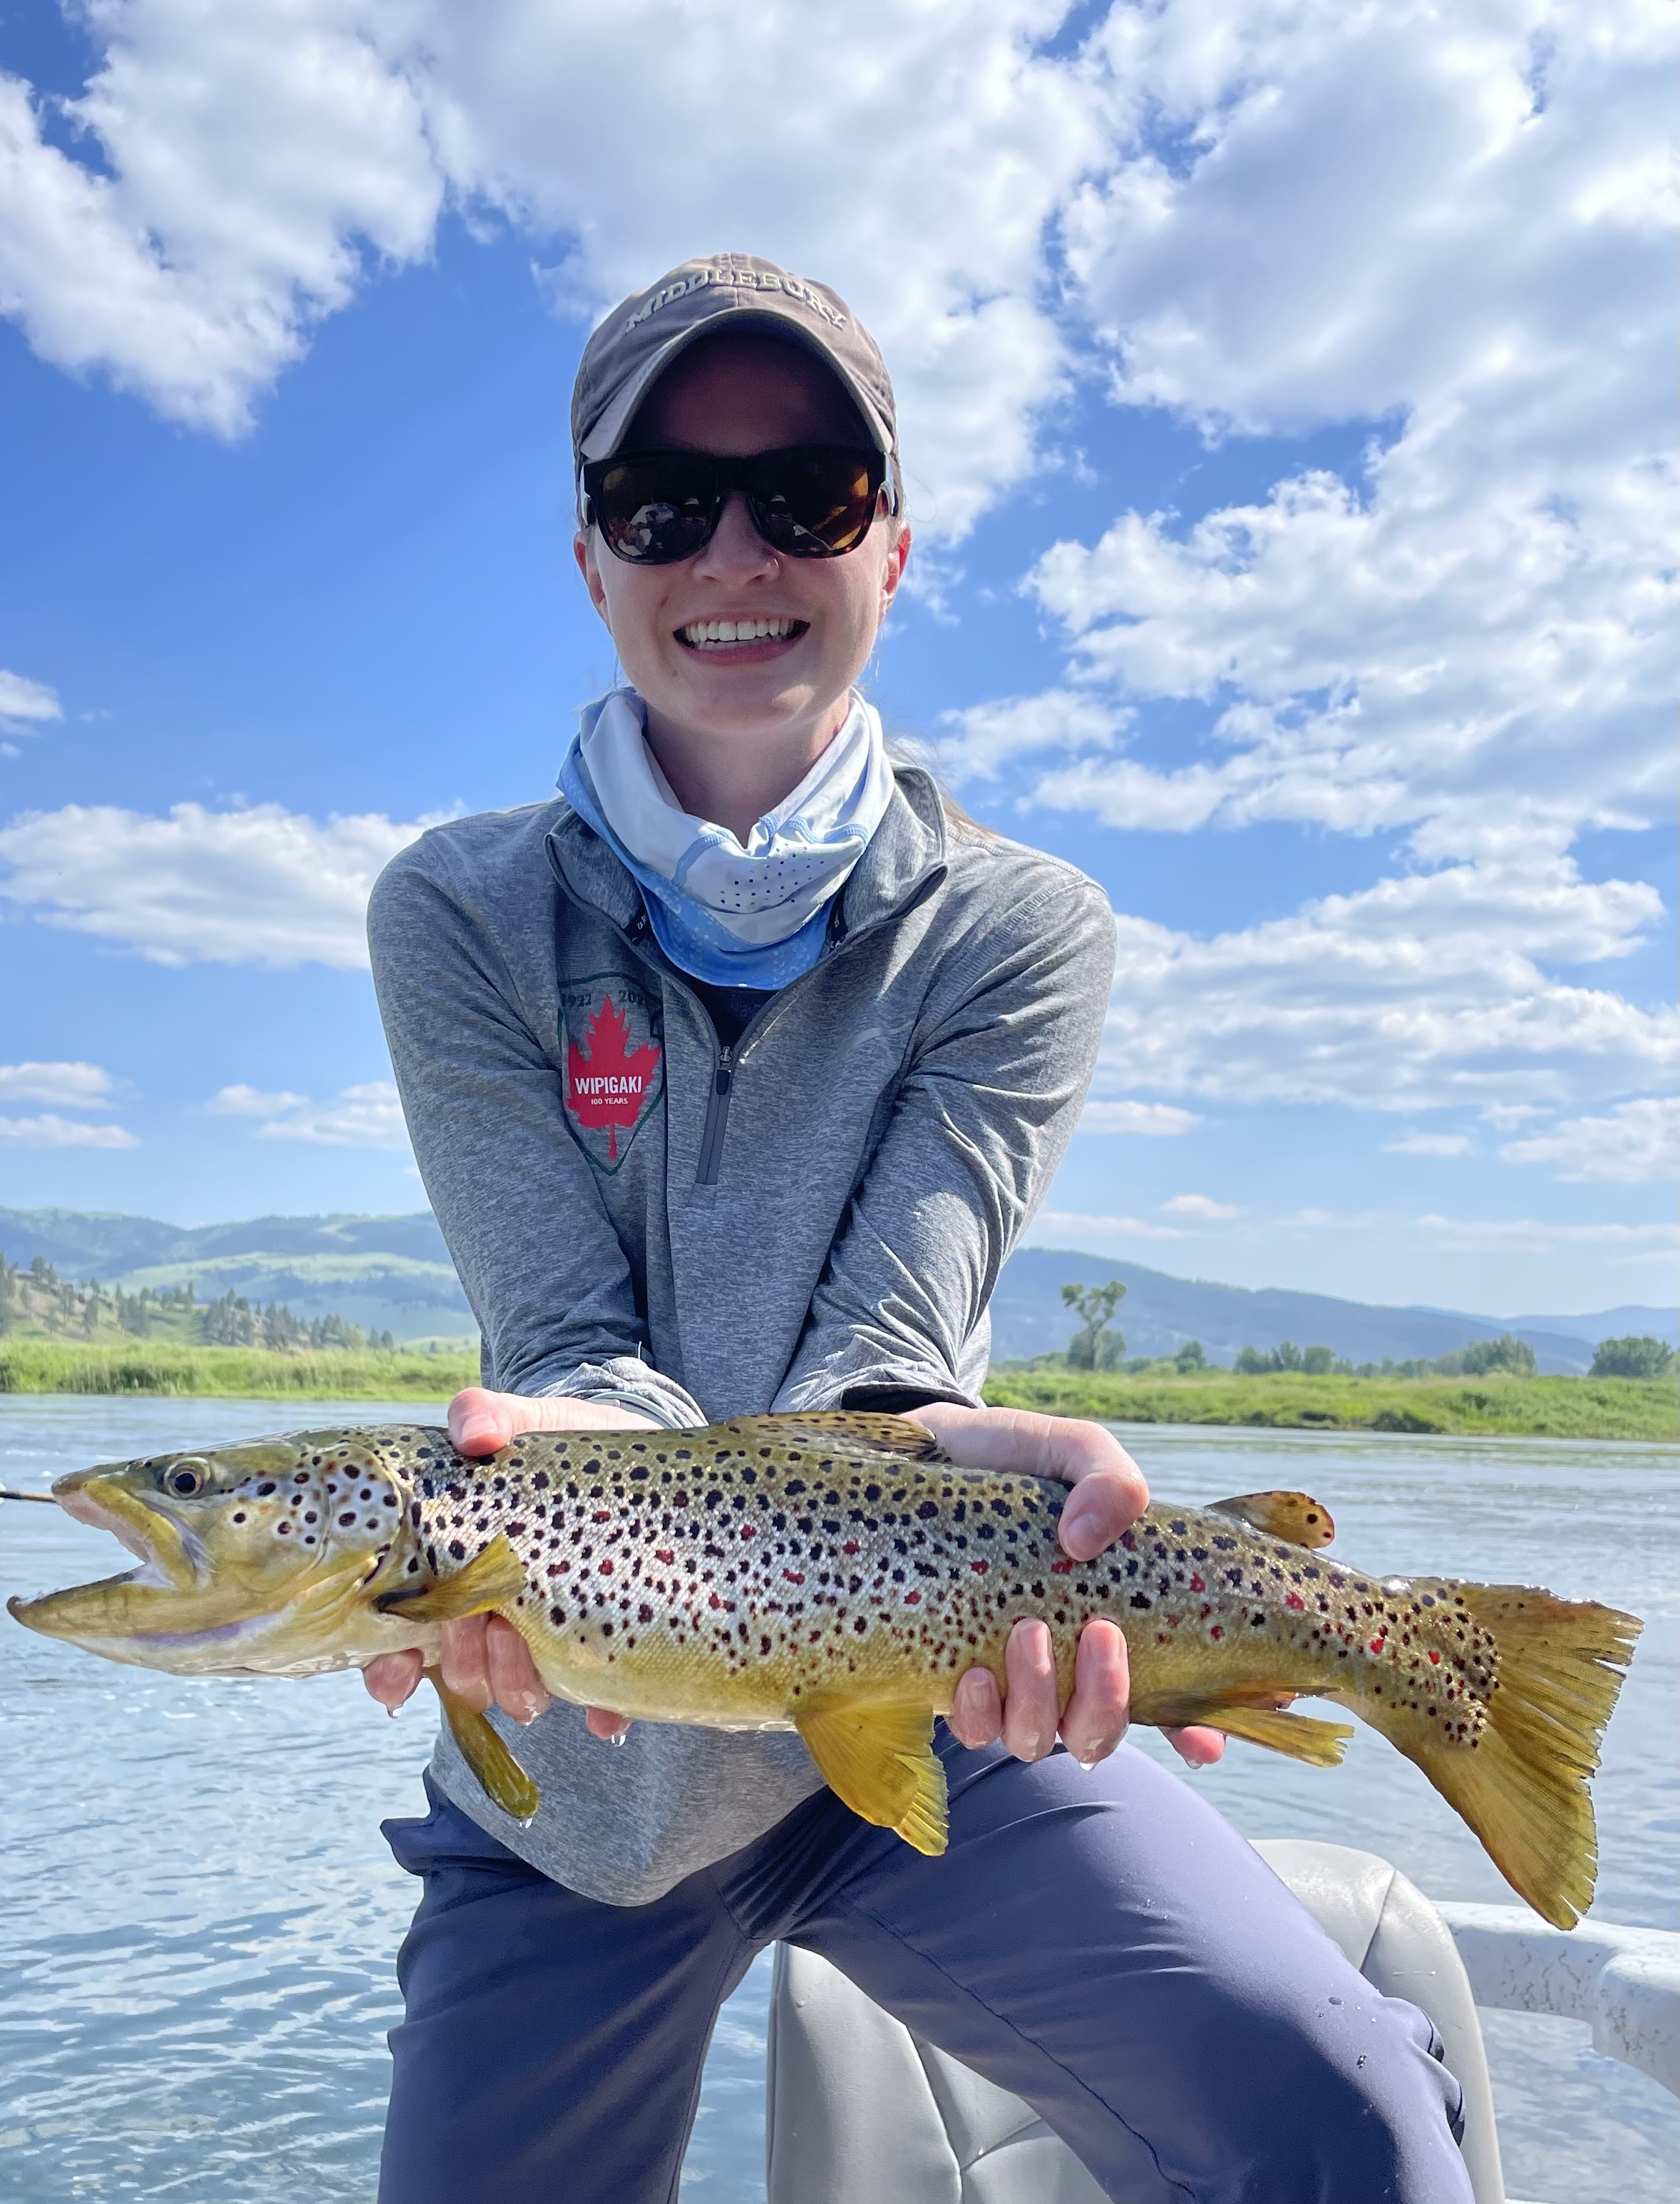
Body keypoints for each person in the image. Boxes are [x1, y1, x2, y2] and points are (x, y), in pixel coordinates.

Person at [361, 253, 1471, 2204]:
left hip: (948, 1698)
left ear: (895, 547)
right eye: (664, 501)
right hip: (587, 1778)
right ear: (591, 556)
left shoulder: (1020, 928)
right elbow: (567, 1334)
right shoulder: (456, 914)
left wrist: (944, 1458)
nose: (735, 549)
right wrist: (573, 1492)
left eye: (807, 493)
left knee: (1348, 2115)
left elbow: (890, 1342)